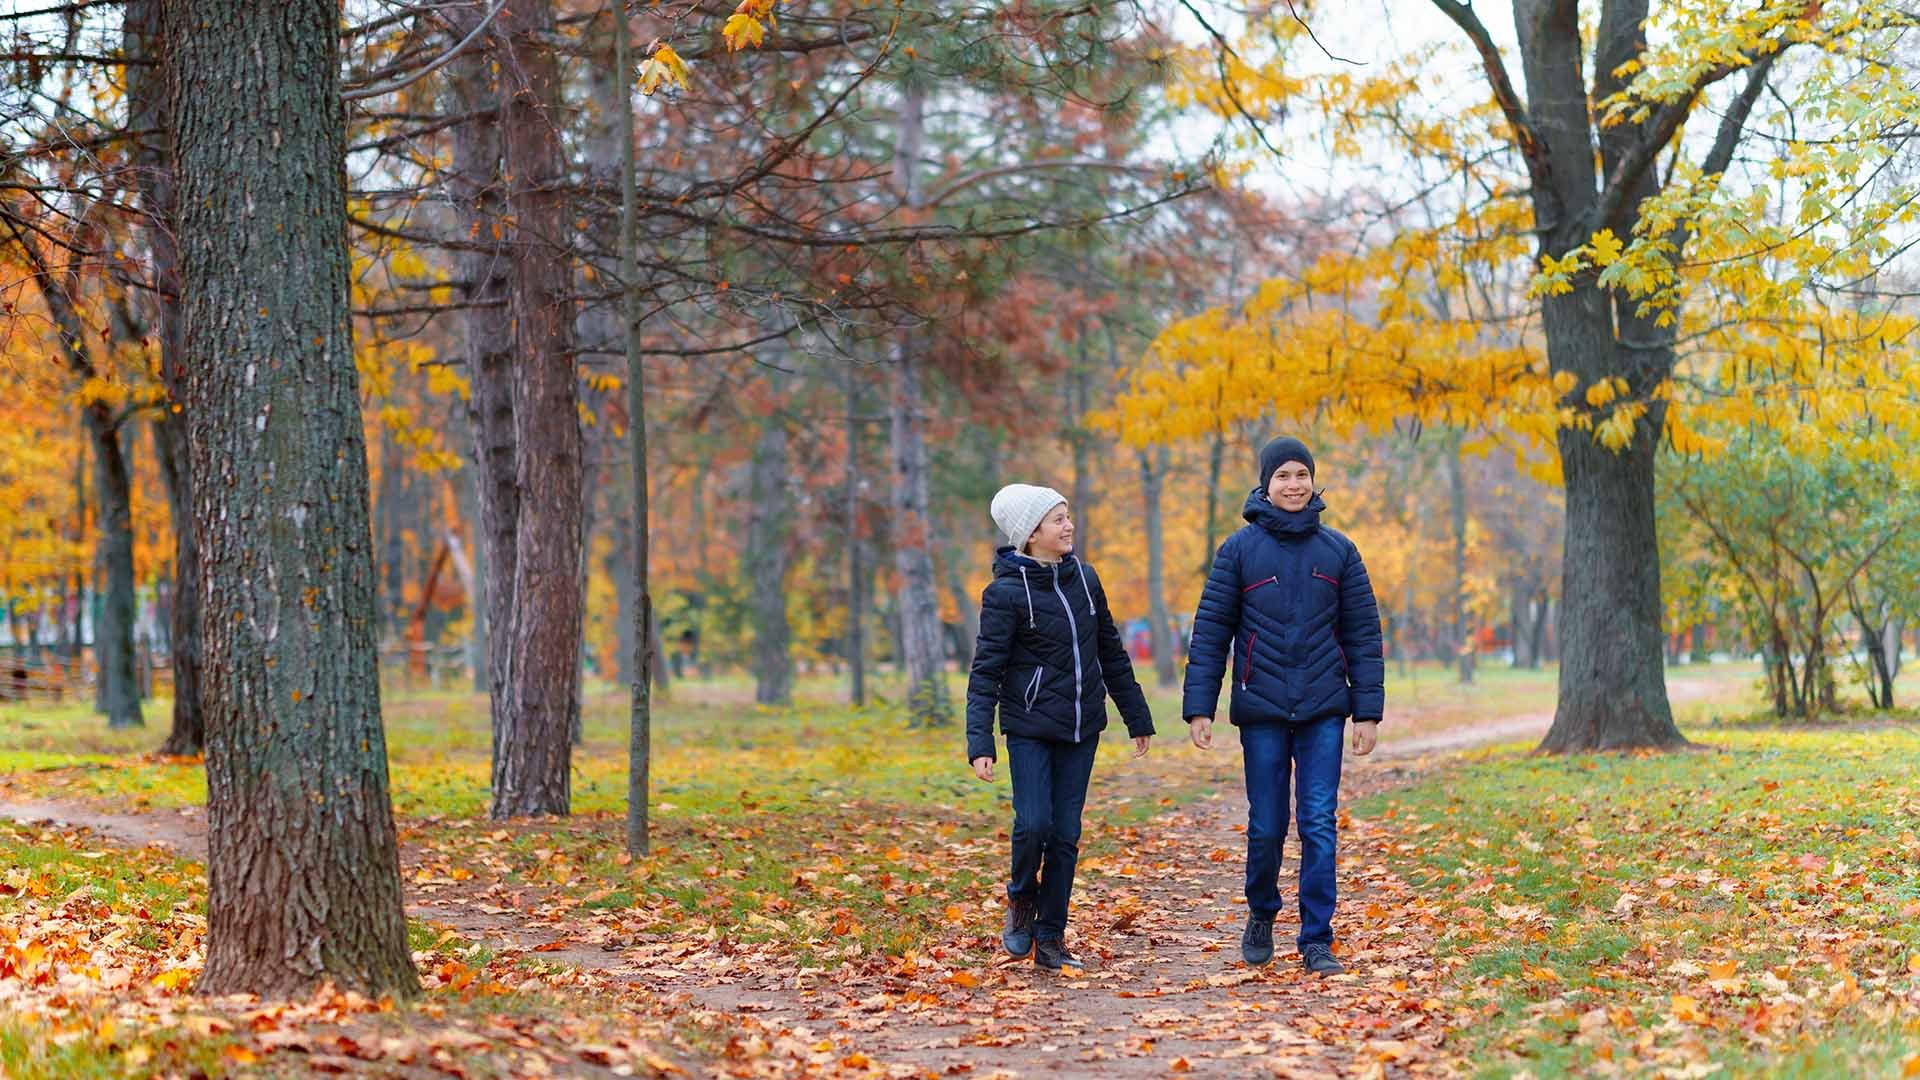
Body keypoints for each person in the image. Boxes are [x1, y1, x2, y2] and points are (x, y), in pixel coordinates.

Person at [1182, 437, 1384, 974]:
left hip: (1323, 709)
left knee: (1318, 822)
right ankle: (1261, 912)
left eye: (1302, 475)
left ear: (1312, 482)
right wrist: (1199, 706)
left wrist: (1367, 711)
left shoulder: (1339, 551)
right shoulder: (1238, 551)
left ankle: (1317, 937)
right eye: (1283, 476)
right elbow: (1210, 632)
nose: (1293, 485)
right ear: (1265, 484)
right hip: (1263, 709)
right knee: (1267, 823)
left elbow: (1363, 634)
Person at [966, 484, 1155, 972]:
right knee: (1034, 825)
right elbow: (985, 670)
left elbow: (1110, 651)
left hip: (1081, 726)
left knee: (1066, 835)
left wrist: (1136, 715)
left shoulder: (1086, 580)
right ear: (1031, 534)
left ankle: (1051, 937)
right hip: (1029, 726)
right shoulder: (1005, 593)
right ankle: (1021, 900)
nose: (1068, 526)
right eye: (1057, 519)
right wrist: (979, 740)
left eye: (1067, 516)